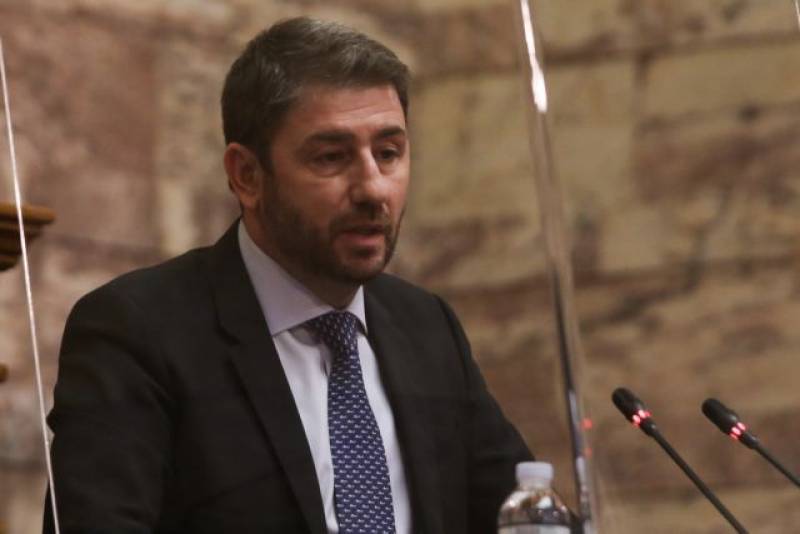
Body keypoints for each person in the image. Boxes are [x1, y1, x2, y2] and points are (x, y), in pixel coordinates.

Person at [44, 17, 532, 534]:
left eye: (388, 153)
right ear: (247, 176)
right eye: (331, 157)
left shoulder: (427, 327)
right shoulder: (139, 331)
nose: (373, 189)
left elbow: (525, 514)